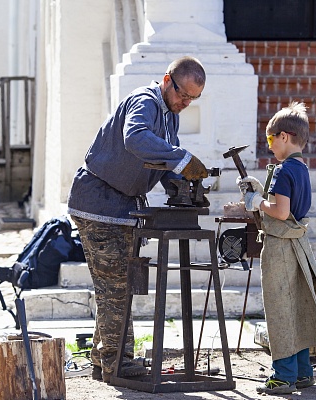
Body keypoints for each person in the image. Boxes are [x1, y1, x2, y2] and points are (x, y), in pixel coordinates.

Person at [67, 56, 209, 383]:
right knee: (117, 286)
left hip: (123, 208)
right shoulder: (145, 101)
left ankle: (104, 359)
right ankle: (120, 362)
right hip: (98, 203)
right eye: (183, 95)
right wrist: (183, 159)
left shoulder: (170, 116)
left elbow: (163, 163)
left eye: (193, 99)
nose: (185, 103)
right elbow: (136, 139)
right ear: (166, 80)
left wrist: (185, 182)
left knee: (115, 286)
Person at [237, 102, 316, 395]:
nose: (269, 146)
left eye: (270, 139)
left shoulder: (282, 171)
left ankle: (283, 376)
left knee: (281, 313)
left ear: (285, 137)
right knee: (300, 309)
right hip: (300, 246)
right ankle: (303, 373)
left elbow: (279, 212)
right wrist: (260, 193)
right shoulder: (301, 168)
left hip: (280, 248)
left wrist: (256, 202)